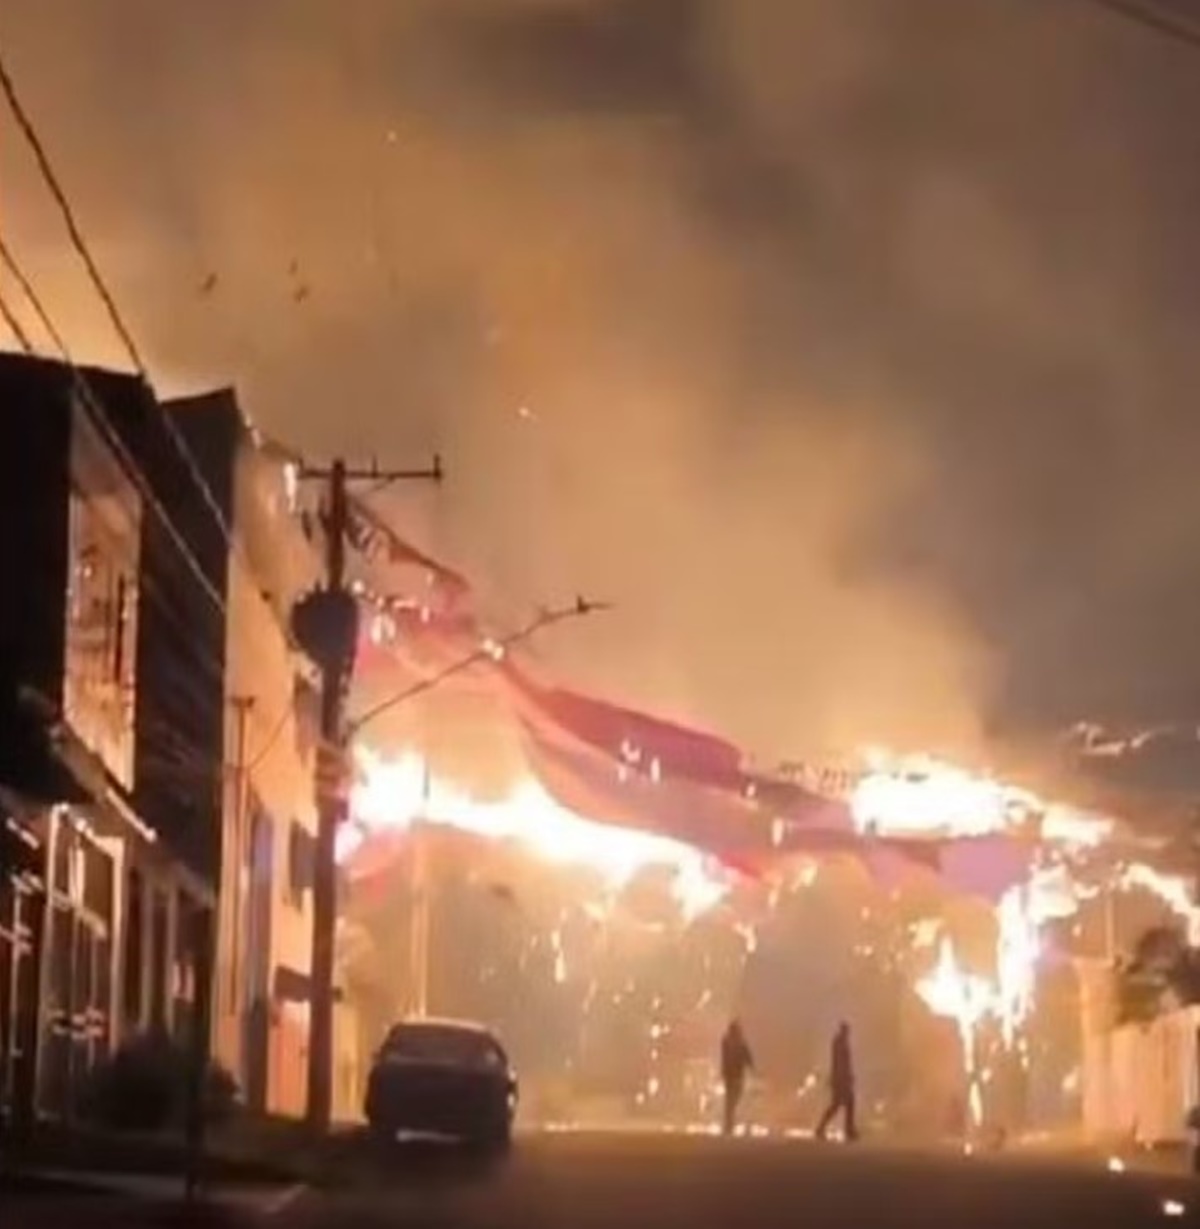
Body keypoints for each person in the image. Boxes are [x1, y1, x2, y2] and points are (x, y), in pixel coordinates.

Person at [815, 1020, 858, 1142]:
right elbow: (841, 1063)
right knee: (843, 1104)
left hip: (840, 1079)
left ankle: (845, 1129)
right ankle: (848, 1130)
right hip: (840, 1079)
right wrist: (845, 1077)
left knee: (841, 1105)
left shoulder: (840, 1042)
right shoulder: (840, 1043)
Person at [720, 1019, 755, 1135]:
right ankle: (729, 1122)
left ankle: (728, 1122)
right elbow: (747, 1057)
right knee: (733, 1098)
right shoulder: (739, 1043)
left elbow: (726, 1058)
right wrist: (752, 1068)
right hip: (736, 1075)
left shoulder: (727, 1042)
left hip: (730, 1075)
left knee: (730, 1099)